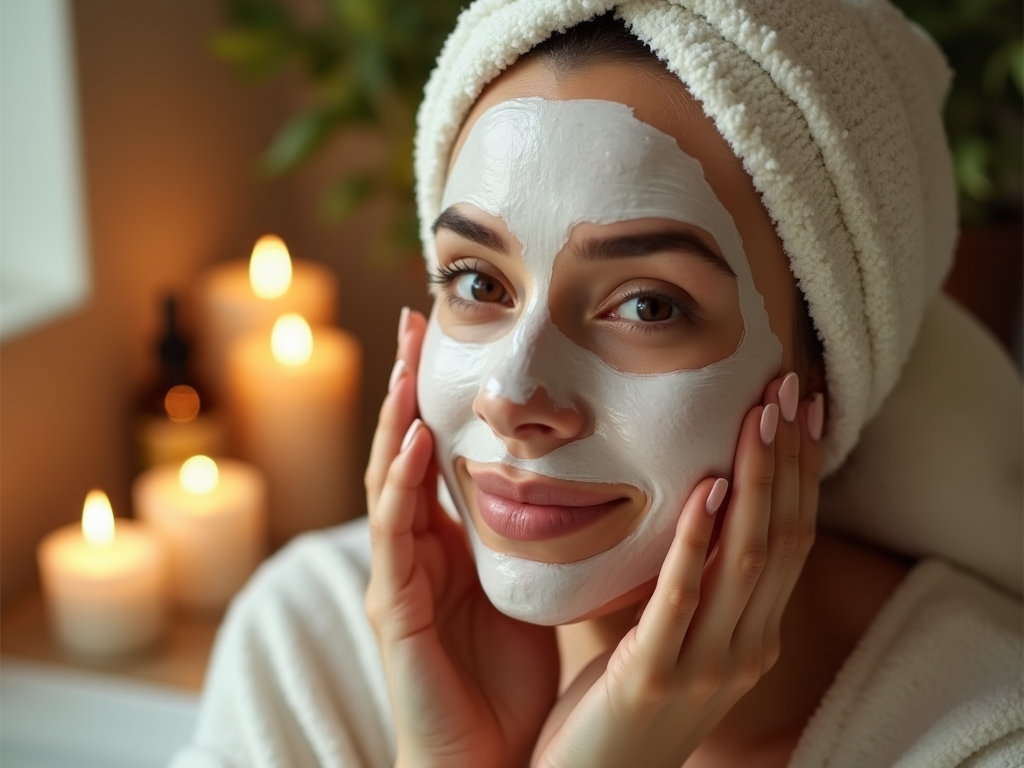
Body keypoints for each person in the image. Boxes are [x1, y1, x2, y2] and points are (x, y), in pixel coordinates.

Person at [170, 3, 1023, 767]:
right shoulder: (311, 646)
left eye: (648, 304)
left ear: (822, 374)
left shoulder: (981, 734)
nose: (511, 393)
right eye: (477, 282)